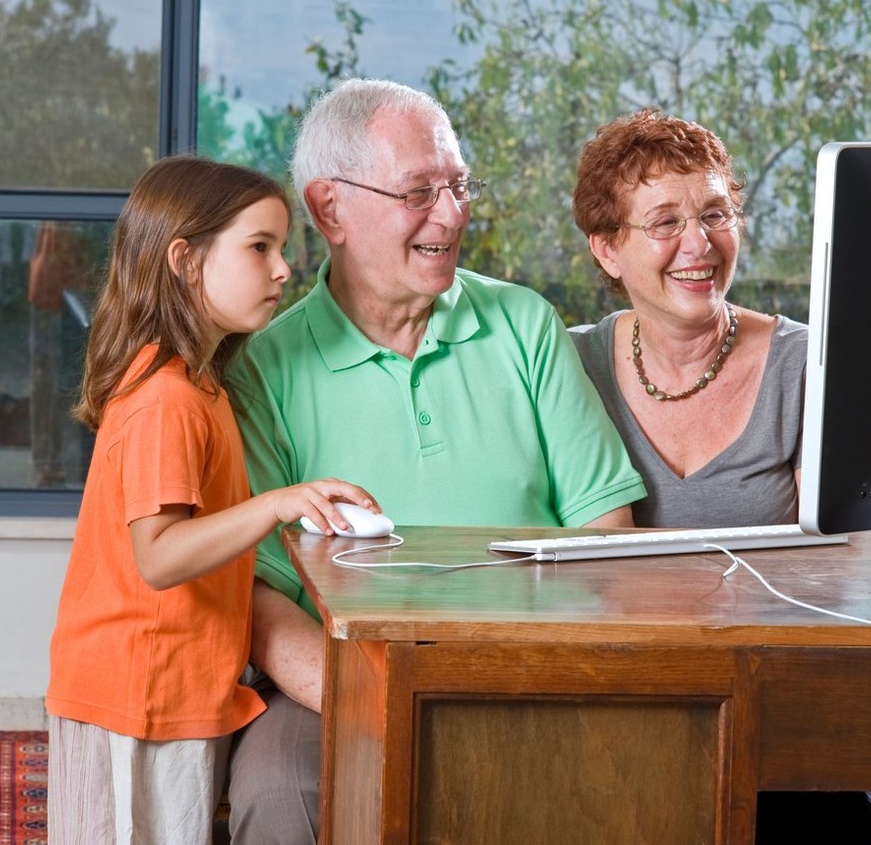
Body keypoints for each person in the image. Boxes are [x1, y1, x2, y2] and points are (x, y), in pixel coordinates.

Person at [224, 78, 646, 843]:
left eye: (457, 185)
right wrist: (375, 697)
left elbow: (606, 532)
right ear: (329, 210)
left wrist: (531, 681)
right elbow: (259, 599)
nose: (451, 215)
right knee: (282, 794)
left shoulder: (523, 324)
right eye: (420, 191)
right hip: (345, 684)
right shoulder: (263, 369)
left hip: (536, 673)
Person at [569, 108, 871, 845]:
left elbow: (848, 570)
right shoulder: (569, 368)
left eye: (716, 213)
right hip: (627, 695)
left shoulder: (807, 363)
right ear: (607, 249)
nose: (699, 243)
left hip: (785, 694)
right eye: (664, 222)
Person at [45, 155, 380, 844]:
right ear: (185, 259)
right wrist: (279, 504)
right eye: (260, 247)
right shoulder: (165, 398)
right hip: (139, 695)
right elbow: (160, 557)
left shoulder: (203, 387)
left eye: (282, 247)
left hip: (176, 689)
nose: (284, 268)